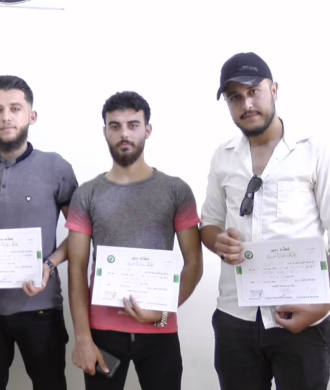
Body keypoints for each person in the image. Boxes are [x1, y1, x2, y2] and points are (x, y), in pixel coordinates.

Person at [200, 52, 330, 389]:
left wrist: (323, 306)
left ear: (274, 89)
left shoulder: (314, 150)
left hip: (303, 314)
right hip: (235, 317)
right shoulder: (222, 156)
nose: (246, 103)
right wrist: (218, 242)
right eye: (234, 97)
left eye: (253, 91)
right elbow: (209, 223)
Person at [67, 91, 203, 390]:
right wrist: (83, 338)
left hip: (160, 330)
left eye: (133, 125)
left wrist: (163, 312)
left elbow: (194, 264)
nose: (124, 134)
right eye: (115, 126)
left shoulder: (176, 190)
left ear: (147, 129)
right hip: (102, 334)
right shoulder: (86, 194)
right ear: (105, 132)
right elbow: (76, 270)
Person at [0, 75, 77, 390]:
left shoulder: (57, 168)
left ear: (31, 116)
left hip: (40, 306)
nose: (6, 117)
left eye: (15, 108)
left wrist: (49, 264)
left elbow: (80, 235)